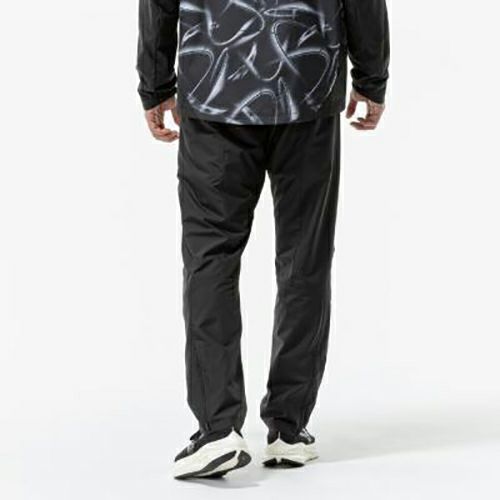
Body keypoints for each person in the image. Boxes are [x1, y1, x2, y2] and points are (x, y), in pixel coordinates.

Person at [137, 0, 389, 480]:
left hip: (214, 86)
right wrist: (371, 77)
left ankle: (217, 430)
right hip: (307, 84)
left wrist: (155, 84)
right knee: (304, 258)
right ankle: (288, 430)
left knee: (210, 258)